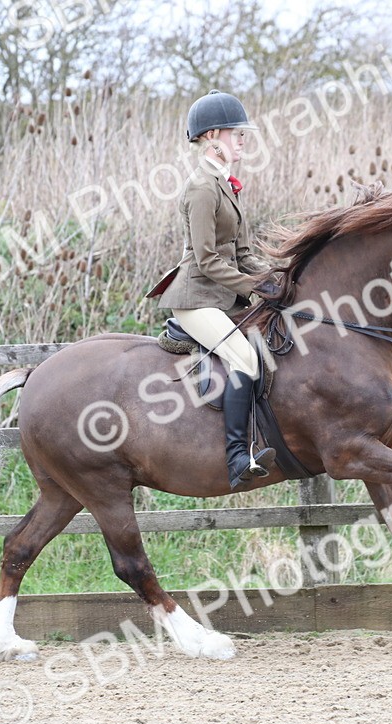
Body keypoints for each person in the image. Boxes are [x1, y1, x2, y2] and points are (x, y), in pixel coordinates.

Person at [154, 90, 284, 489]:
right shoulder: (201, 188)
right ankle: (236, 459)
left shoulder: (226, 185)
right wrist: (253, 286)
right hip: (194, 299)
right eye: (236, 134)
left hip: (220, 295)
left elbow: (242, 252)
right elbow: (208, 259)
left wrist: (278, 280)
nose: (243, 141)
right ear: (213, 138)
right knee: (246, 357)